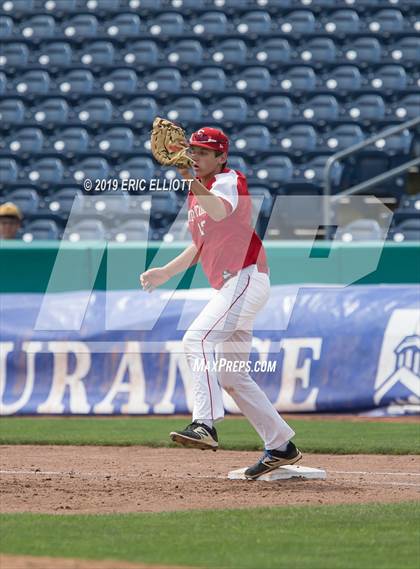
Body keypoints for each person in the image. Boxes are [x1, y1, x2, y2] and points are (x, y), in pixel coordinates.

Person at [140, 127, 302, 479]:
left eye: (203, 152)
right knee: (232, 376)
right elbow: (200, 245)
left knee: (196, 338)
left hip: (245, 277)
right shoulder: (197, 193)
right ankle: (280, 446)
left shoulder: (229, 179)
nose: (195, 157)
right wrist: (165, 273)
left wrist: (188, 177)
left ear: (221, 157)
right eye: (193, 151)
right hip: (234, 286)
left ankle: (205, 424)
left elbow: (220, 212)